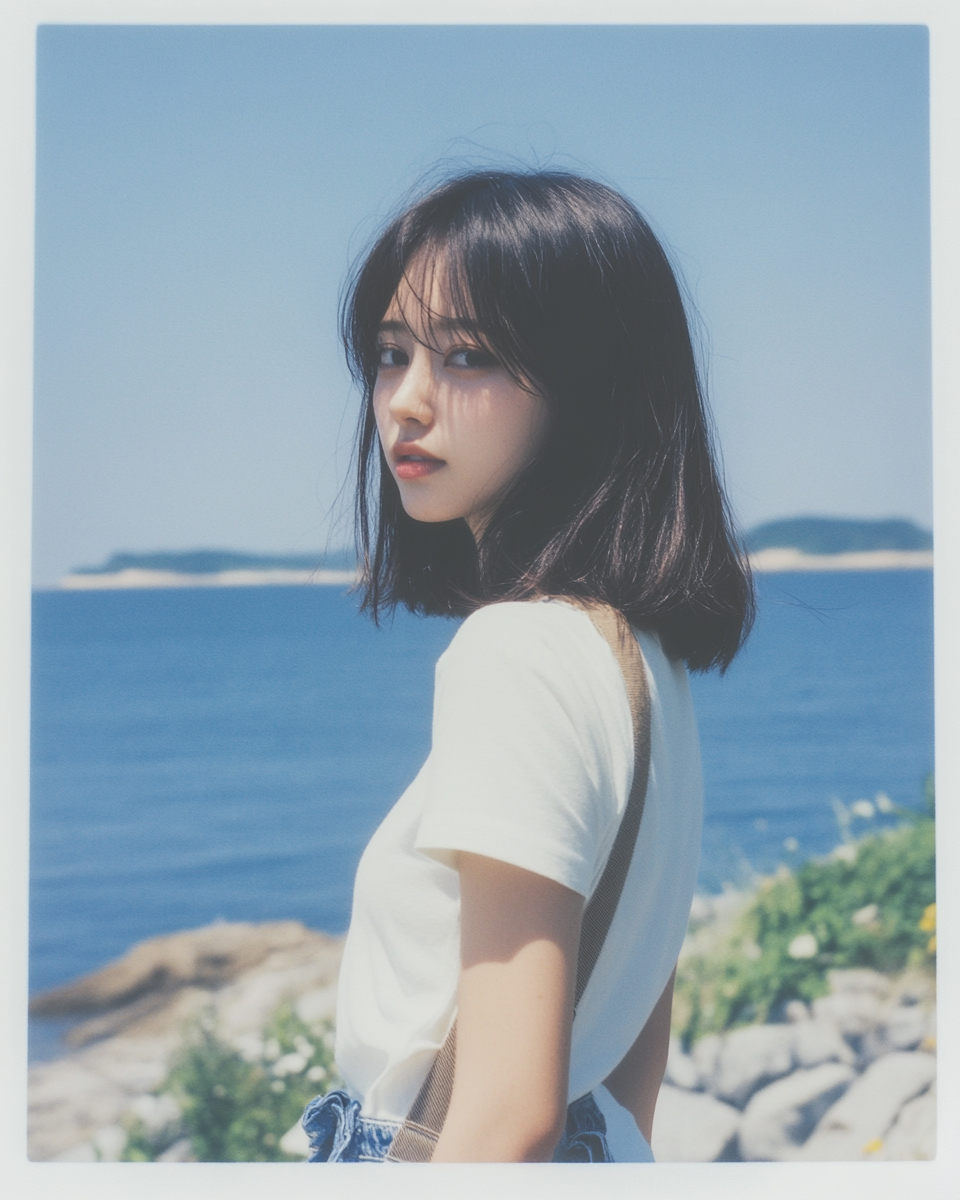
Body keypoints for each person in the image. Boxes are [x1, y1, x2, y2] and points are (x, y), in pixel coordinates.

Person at [302, 169, 754, 1163]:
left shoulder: (516, 655)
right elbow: (635, 1013)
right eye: (389, 354)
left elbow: (508, 1120)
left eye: (467, 356)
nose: (406, 404)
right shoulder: (636, 655)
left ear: (591, 383)